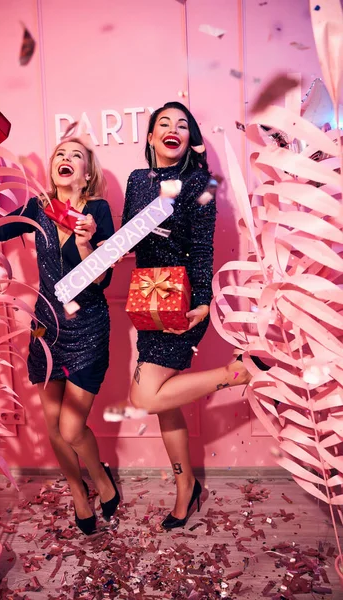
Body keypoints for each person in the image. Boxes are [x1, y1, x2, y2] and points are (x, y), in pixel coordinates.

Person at [121, 102, 257, 530]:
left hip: (180, 301)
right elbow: (130, 239)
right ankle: (187, 488)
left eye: (182, 124)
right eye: (164, 123)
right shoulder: (136, 181)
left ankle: (239, 373)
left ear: (190, 139)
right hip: (146, 302)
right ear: (150, 137)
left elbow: (202, 246)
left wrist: (202, 300)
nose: (172, 129)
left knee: (145, 397)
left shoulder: (199, 182)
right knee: (165, 405)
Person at [0, 137, 120, 535]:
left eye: (77, 155)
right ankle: (77, 490)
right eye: (61, 154)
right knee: (53, 425)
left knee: (73, 428)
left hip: (88, 325)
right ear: (54, 167)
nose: (66, 159)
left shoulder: (98, 211)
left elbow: (104, 279)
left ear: (86, 172)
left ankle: (101, 478)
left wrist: (86, 241)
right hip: (43, 326)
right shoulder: (38, 207)